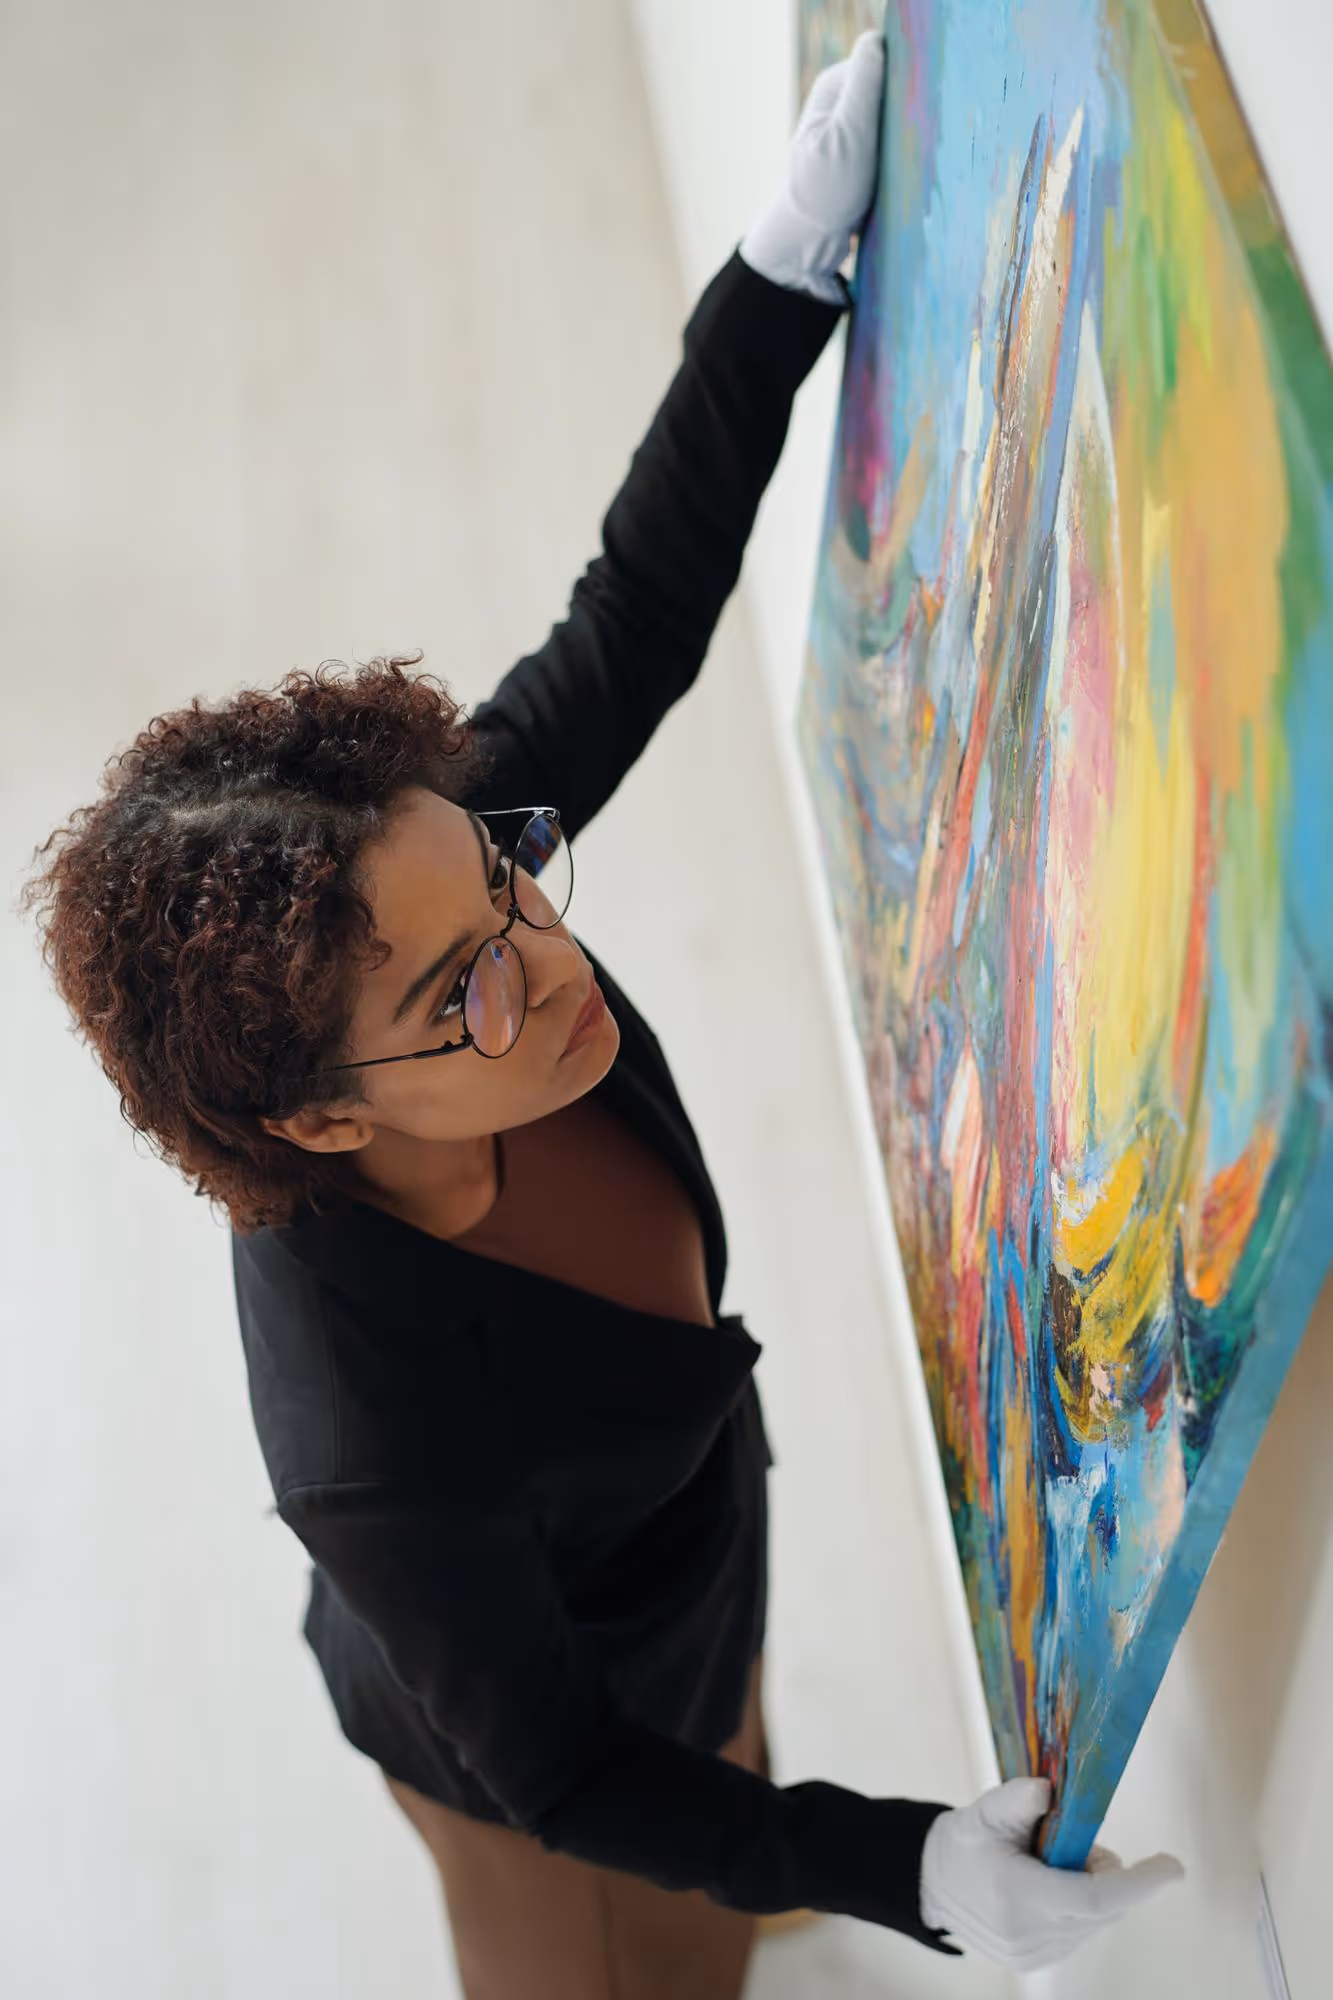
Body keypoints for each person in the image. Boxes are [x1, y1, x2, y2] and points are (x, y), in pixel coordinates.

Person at [22, 28, 1183, 1999]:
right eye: (466, 984)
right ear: (321, 1118)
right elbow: (557, 1767)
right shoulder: (371, 1437)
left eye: (509, 879)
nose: (547, 964)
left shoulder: (440, 901)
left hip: (687, 1564)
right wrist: (909, 1865)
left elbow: (631, 615)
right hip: (520, 1750)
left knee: (740, 1871)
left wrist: (776, 276)